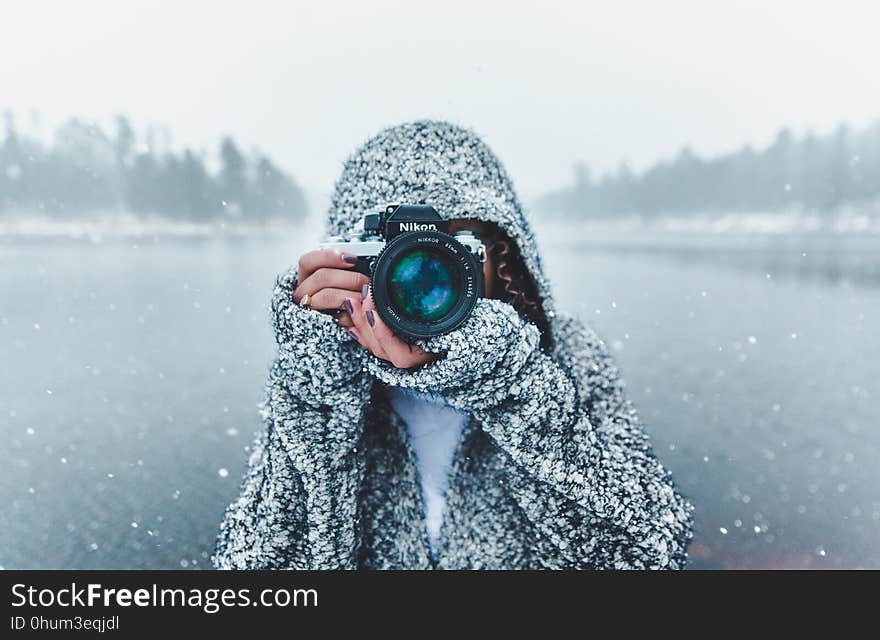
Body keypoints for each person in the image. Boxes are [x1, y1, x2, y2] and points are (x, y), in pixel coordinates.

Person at [213, 121, 693, 569]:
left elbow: (648, 554)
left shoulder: (566, 356)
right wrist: (318, 391)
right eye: (395, 256)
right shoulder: (324, 371)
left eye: (451, 251)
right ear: (350, 259)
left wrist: (509, 383)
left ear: (501, 257)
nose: (422, 278)